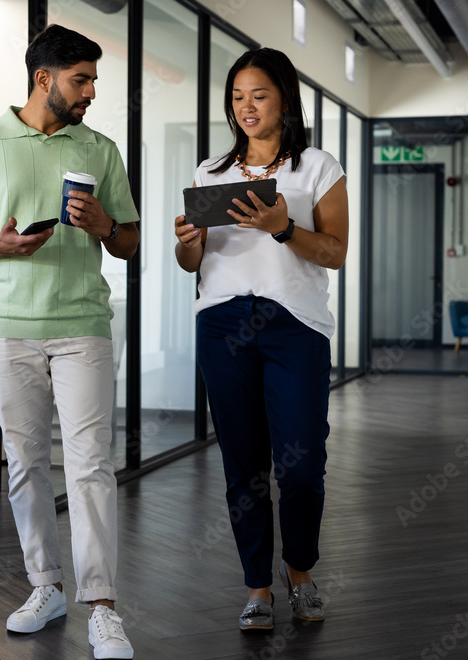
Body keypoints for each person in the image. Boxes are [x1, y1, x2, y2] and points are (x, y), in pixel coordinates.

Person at [0, 24, 139, 660]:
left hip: (82, 324)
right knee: (23, 464)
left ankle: (102, 606)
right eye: (82, 80)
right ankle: (44, 586)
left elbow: (130, 242)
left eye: (94, 81)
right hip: (8, 325)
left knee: (89, 464)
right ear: (43, 79)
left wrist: (105, 225)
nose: (91, 92)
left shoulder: (101, 148)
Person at [174, 47, 348, 632]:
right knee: (243, 464)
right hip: (222, 323)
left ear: (284, 100)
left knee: (301, 464)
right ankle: (257, 588)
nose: (246, 108)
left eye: (259, 95)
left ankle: (299, 571)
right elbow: (190, 261)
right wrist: (189, 240)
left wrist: (284, 229)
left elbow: (335, 252)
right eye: (237, 97)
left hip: (294, 325)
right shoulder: (210, 172)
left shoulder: (318, 167)